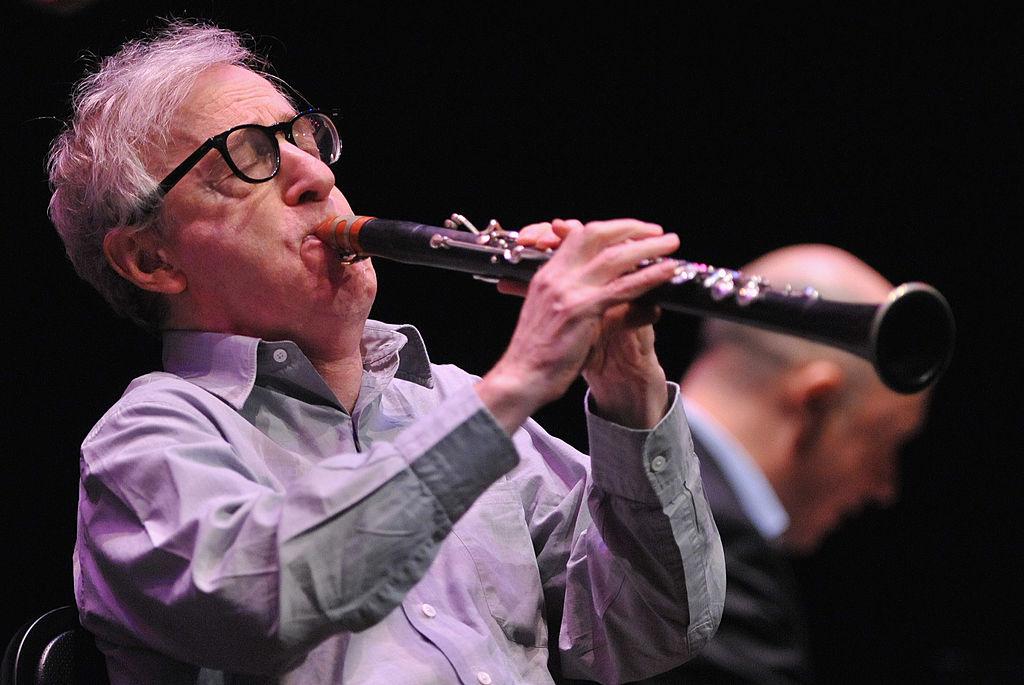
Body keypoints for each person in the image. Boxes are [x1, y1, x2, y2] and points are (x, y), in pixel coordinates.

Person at [46, 20, 725, 685]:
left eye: (304, 137)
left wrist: (628, 388)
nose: (314, 174)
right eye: (248, 153)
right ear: (150, 257)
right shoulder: (143, 444)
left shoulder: (452, 401)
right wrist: (518, 383)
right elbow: (263, 603)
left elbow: (651, 630)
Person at [637, 244, 930, 684]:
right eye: (885, 444)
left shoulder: (586, 469)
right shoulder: (704, 542)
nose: (885, 488)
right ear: (815, 404)